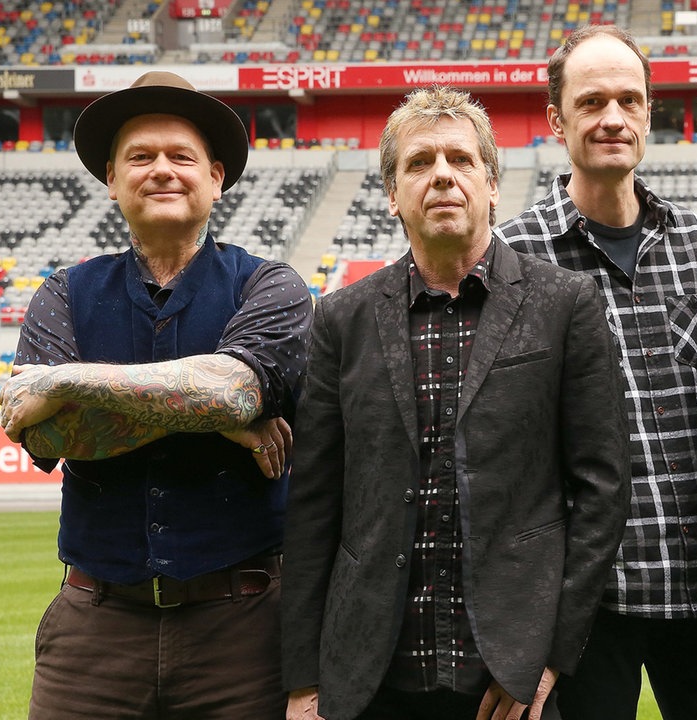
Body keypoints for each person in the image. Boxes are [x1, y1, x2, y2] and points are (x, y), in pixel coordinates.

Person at [281, 85, 631, 720]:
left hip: (508, 675)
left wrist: (548, 656)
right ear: (392, 195)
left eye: (460, 160)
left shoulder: (565, 304)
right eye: (419, 163)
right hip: (371, 676)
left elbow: (602, 489)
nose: (441, 175)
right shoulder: (340, 319)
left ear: (492, 183)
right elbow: (314, 505)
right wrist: (304, 682)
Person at [0, 71, 312, 718]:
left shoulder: (272, 287)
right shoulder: (64, 292)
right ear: (111, 180)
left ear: (216, 176)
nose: (161, 170)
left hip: (244, 631)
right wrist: (210, 412)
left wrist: (65, 381)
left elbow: (231, 397)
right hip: (94, 628)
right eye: (140, 157)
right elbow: (47, 435)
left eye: (181, 156)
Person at [494, 24, 697, 720]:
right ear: (557, 119)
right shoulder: (511, 257)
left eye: (628, 100)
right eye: (591, 103)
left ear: (648, 112)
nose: (612, 118)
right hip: (591, 595)